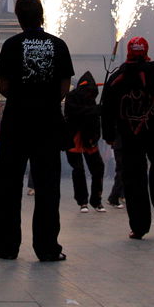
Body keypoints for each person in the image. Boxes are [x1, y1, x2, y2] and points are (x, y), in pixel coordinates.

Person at [0, 0, 73, 261]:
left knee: (8, 186)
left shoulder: (12, 45)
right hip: (48, 123)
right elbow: (64, 88)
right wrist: (45, 100)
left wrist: (23, 97)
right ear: (42, 15)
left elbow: (3, 87)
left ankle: (7, 247)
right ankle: (47, 248)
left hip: (17, 122)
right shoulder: (58, 45)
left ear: (18, 17)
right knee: (48, 187)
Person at [100, 33, 154, 240]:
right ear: (146, 52)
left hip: (129, 136)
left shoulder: (116, 77)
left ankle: (139, 226)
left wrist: (109, 135)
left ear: (128, 52)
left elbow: (106, 108)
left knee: (133, 179)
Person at [64, 71, 104, 213]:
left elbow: (95, 122)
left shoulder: (91, 99)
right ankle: (82, 202)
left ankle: (96, 200)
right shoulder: (71, 97)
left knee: (98, 168)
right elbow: (74, 113)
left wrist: (96, 137)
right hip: (74, 138)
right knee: (78, 170)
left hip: (89, 138)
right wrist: (94, 110)